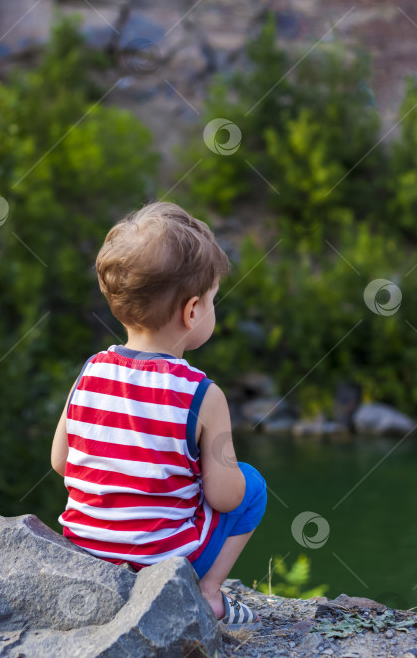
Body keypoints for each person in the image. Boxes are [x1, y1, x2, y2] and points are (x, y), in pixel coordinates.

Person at [51, 200, 267, 631]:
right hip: (162, 565)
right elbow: (225, 498)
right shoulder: (204, 395)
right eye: (212, 300)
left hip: (86, 554)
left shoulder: (91, 371)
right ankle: (207, 596)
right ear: (191, 312)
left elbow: (61, 462)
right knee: (254, 486)